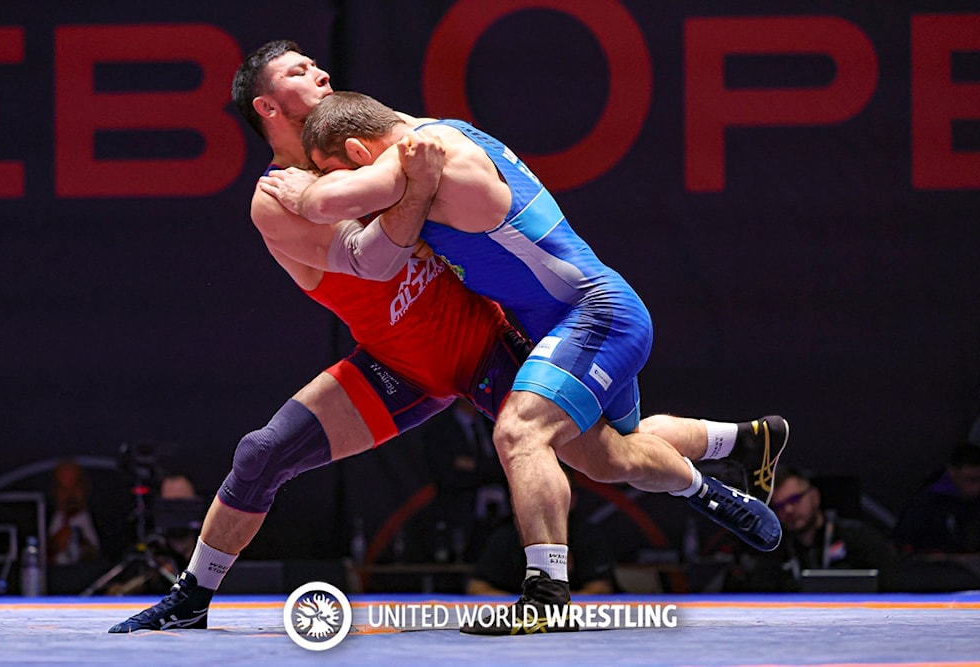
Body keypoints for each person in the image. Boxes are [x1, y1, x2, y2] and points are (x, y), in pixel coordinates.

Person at [259, 91, 789, 633]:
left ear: (357, 150)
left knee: (520, 433)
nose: (326, 181)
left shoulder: (426, 150)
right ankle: (740, 444)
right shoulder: (433, 137)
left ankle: (547, 596)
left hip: (594, 314)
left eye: (330, 169)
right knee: (608, 455)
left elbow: (327, 206)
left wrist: (302, 190)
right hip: (567, 321)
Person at [108, 39, 532, 633]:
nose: (321, 72)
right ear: (267, 107)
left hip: (481, 336)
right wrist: (407, 186)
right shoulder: (275, 199)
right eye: (299, 71)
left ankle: (709, 476)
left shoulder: (361, 141)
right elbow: (373, 260)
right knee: (261, 454)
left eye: (316, 63)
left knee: (604, 446)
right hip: (397, 368)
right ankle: (190, 597)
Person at [723, 467, 900, 592]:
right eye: (780, 506)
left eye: (794, 500)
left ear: (814, 496)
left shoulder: (858, 537)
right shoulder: (771, 551)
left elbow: (892, 583)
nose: (789, 510)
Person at [467, 468, 615, 596]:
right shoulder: (505, 536)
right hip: (522, 611)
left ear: (571, 499)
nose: (548, 503)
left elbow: (601, 587)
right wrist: (524, 605)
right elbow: (477, 587)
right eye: (542, 495)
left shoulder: (586, 535)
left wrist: (555, 602)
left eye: (555, 496)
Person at [421, 399, 510, 563]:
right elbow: (447, 477)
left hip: (503, 518)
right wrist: (488, 467)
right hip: (462, 518)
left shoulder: (495, 424)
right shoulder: (440, 430)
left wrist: (473, 465)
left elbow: (508, 465)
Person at [892, 442, 980, 554]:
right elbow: (901, 545)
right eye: (970, 480)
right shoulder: (925, 504)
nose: (977, 487)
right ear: (952, 472)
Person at [47, 460, 102, 566]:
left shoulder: (106, 521)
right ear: (54, 491)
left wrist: (83, 546)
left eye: (75, 486)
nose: (70, 495)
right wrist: (53, 546)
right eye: (63, 488)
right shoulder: (39, 520)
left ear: (85, 487)